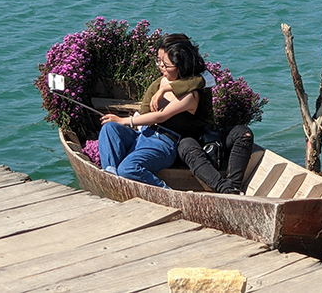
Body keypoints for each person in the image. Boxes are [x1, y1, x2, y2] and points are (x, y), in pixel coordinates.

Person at [98, 33, 212, 187]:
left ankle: (168, 193)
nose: (161, 67)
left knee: (128, 169)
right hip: (144, 134)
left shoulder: (191, 95)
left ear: (181, 66)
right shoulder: (161, 82)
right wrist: (118, 123)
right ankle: (112, 175)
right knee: (110, 128)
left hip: (164, 144)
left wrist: (123, 120)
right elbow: (146, 113)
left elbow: (160, 116)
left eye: (165, 64)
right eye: (158, 61)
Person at [177, 124, 254, 194]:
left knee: (243, 133)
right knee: (187, 145)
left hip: (210, 134)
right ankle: (225, 188)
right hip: (182, 141)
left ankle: (233, 186)